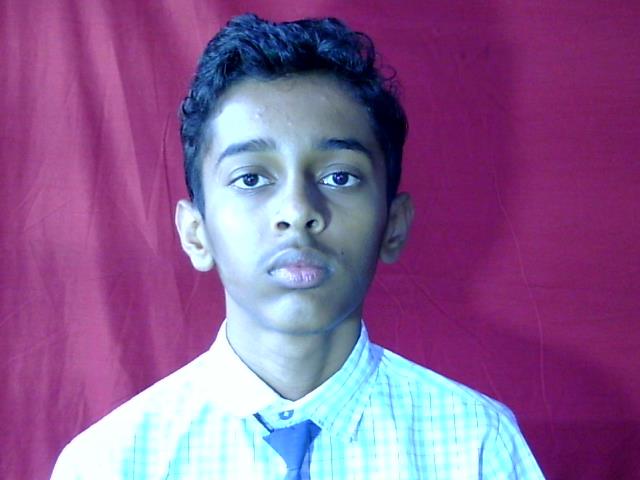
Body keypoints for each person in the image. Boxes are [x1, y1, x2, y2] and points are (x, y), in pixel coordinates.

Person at [51, 13, 545, 479]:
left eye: (339, 176)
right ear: (196, 233)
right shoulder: (111, 462)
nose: (297, 210)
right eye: (251, 178)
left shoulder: (475, 446)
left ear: (393, 225)